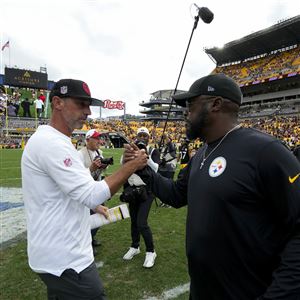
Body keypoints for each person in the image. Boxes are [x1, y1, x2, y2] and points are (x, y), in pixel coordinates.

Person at [125, 74, 300, 299]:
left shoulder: (266, 151)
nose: (185, 113)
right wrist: (143, 169)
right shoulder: (201, 154)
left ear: (215, 104)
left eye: (191, 105)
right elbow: (177, 195)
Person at [21, 78, 148, 300]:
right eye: (81, 104)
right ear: (58, 102)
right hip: (66, 260)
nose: (88, 111)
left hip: (54, 256)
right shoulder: (53, 143)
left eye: (89, 105)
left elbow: (66, 192)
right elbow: (91, 192)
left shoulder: (52, 140)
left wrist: (93, 205)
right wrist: (131, 166)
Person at [121, 127, 160, 268]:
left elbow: (156, 168)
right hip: (132, 190)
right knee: (134, 221)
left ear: (149, 137)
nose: (142, 137)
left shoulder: (152, 150)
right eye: (140, 135)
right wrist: (131, 152)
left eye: (145, 135)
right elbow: (122, 164)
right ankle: (135, 246)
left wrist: (144, 156)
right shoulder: (131, 149)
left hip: (147, 191)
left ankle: (151, 251)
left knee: (141, 222)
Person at [78, 129, 109, 255]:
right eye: (95, 138)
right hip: (85, 191)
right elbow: (78, 177)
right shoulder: (79, 155)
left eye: (99, 138)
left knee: (100, 216)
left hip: (96, 187)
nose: (98, 141)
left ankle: (90, 238)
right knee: (88, 217)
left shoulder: (99, 152)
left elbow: (100, 173)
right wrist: (91, 168)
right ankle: (86, 243)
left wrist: (103, 167)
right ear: (87, 140)